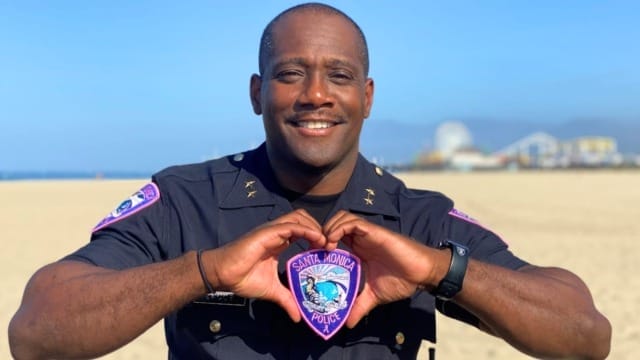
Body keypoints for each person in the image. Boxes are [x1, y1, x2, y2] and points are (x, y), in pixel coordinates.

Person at [9, 3, 611, 359]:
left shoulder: (418, 218)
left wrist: (438, 271)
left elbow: (584, 334)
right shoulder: (184, 201)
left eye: (339, 76)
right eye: (290, 73)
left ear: (367, 97)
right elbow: (35, 331)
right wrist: (204, 272)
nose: (316, 94)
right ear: (257, 93)